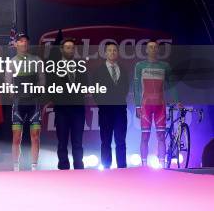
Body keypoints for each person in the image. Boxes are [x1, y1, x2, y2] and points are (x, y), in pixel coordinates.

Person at [134, 40, 178, 167]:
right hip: (145, 105)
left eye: (155, 47)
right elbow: (136, 87)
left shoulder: (165, 66)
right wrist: (137, 105)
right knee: (145, 137)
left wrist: (177, 100)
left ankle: (162, 167)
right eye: (150, 47)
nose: (153, 49)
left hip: (160, 105)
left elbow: (173, 86)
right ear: (146, 50)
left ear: (158, 50)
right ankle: (144, 166)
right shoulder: (139, 66)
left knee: (161, 137)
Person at [6, 33, 45, 171]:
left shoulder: (37, 60)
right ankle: (16, 168)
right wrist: (13, 94)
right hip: (18, 103)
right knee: (16, 136)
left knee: (35, 136)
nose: (23, 43)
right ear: (15, 44)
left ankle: (34, 167)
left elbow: (42, 80)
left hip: (33, 102)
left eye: (25, 41)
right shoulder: (11, 62)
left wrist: (37, 91)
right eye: (20, 41)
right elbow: (8, 82)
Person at [92, 41, 130, 169]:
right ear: (105, 53)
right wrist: (103, 104)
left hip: (120, 111)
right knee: (106, 141)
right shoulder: (98, 71)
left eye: (114, 50)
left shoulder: (123, 70)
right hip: (105, 111)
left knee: (120, 141)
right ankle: (106, 167)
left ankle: (122, 168)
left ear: (117, 53)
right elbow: (96, 91)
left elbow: (125, 89)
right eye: (109, 50)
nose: (112, 52)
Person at [52, 38, 87, 170]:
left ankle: (79, 167)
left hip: (78, 109)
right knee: (62, 142)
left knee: (78, 141)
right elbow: (51, 87)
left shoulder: (81, 65)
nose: (70, 50)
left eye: (72, 48)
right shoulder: (54, 67)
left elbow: (85, 85)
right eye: (67, 47)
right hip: (62, 110)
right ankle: (63, 168)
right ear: (62, 49)